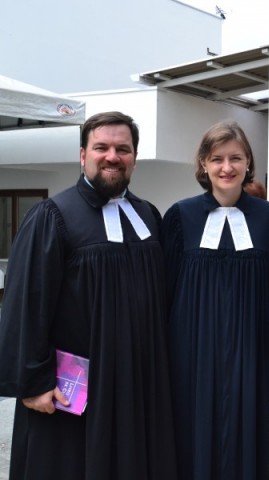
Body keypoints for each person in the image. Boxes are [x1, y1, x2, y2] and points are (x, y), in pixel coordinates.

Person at [0, 111, 177, 479]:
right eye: (102, 147)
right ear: (83, 155)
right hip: (75, 392)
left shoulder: (148, 216)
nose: (112, 156)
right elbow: (25, 304)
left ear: (134, 157)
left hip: (137, 385)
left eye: (122, 149)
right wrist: (33, 383)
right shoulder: (53, 216)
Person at [161, 120, 269, 479]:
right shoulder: (180, 217)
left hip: (252, 356)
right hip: (191, 357)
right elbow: (165, 292)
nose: (226, 167)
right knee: (192, 443)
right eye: (217, 159)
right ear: (203, 164)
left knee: (246, 443)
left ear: (249, 163)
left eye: (236, 158)